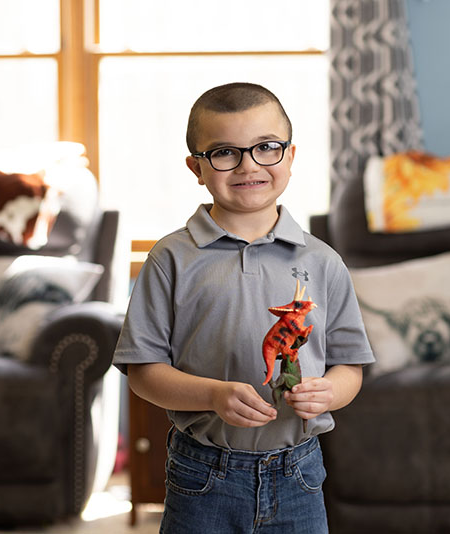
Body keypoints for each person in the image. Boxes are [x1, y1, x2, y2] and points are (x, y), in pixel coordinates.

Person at [113, 82, 375, 534]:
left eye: (266, 148)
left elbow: (350, 366)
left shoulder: (322, 261)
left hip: (299, 472)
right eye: (224, 153)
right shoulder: (170, 258)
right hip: (203, 473)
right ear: (197, 167)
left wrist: (329, 392)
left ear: (290, 157)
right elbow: (144, 372)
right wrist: (212, 395)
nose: (248, 165)